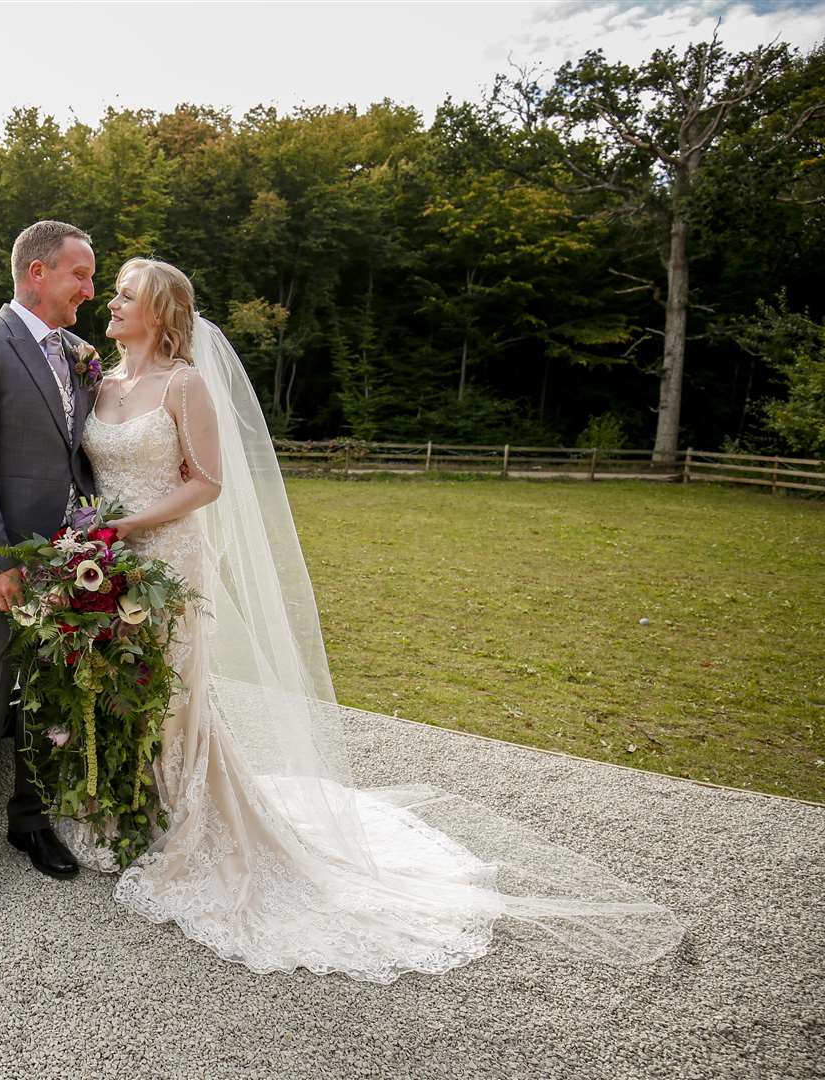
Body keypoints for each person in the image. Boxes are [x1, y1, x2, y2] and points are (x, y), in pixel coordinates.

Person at [60, 257, 686, 982]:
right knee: (120, 691)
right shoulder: (98, 383)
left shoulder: (185, 384)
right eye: (112, 293)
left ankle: (179, 831)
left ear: (160, 312)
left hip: (164, 556)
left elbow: (208, 482)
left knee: (171, 697)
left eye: (125, 294)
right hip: (104, 560)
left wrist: (125, 524)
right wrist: (95, 534)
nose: (110, 302)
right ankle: (125, 812)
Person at [0, 220, 99, 910]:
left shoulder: (81, 355)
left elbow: (77, 452)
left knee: (50, 693)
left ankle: (29, 822)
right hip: (6, 562)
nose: (89, 291)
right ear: (37, 272)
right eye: (79, 276)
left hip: (71, 558)